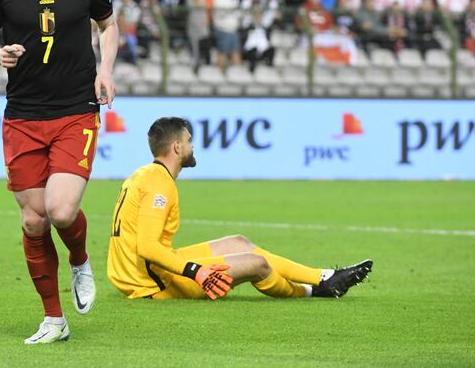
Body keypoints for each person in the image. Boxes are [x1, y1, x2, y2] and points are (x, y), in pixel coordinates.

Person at [0, 0, 118, 345]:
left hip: (75, 111)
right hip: (22, 116)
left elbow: (108, 26)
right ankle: (54, 319)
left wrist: (105, 68)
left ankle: (79, 259)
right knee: (33, 222)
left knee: (59, 210)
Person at [108, 117, 373, 301]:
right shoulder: (159, 185)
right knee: (257, 264)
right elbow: (147, 248)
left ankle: (324, 276)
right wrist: (196, 271)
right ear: (177, 147)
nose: (192, 146)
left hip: (136, 274)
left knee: (238, 242)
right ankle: (315, 290)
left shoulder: (144, 175)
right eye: (188, 141)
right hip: (152, 285)